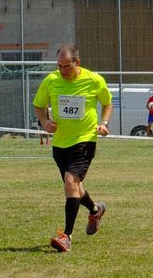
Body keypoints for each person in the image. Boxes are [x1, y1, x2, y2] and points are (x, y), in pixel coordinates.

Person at [33, 44, 112, 253]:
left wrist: (104, 123)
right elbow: (38, 105)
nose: (62, 71)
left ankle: (66, 236)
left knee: (70, 182)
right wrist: (44, 122)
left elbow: (107, 103)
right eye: (59, 66)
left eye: (66, 66)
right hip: (60, 143)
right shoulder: (51, 81)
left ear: (77, 62)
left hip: (85, 140)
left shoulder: (94, 80)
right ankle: (96, 211)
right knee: (75, 187)